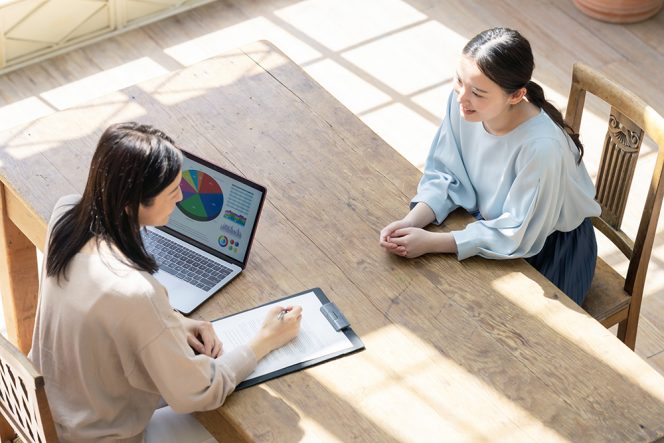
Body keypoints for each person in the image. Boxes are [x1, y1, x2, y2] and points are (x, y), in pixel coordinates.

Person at [29, 122, 302, 443]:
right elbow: (198, 392)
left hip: (57, 410)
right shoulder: (135, 292)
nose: (183, 196)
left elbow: (102, 316)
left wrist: (173, 322)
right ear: (132, 204)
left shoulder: (66, 215)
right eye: (172, 191)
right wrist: (265, 341)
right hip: (103, 433)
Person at [379, 27, 601, 305]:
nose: (462, 97)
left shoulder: (542, 148)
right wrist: (410, 223)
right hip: (487, 226)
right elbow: (448, 174)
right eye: (459, 81)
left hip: (547, 248)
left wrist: (432, 243)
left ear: (516, 96)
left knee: (499, 333)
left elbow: (518, 233)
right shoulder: (465, 104)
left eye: (478, 93)